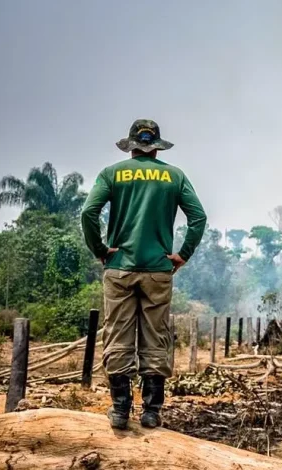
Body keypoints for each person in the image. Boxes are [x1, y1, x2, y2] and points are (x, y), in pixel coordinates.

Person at [81, 119, 207, 430]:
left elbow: (88, 212)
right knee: (156, 336)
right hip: (158, 271)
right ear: (157, 148)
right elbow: (198, 217)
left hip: (119, 269)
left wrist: (100, 249)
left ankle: (120, 410)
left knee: (117, 335)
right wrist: (183, 254)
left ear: (131, 146)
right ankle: (151, 412)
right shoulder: (174, 176)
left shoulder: (112, 174)